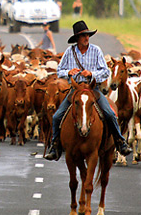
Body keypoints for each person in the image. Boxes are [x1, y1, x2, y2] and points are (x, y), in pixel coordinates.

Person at [44, 20, 132, 161]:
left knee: (109, 113)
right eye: (83, 35)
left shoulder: (96, 50)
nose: (86, 38)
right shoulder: (69, 52)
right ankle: (55, 146)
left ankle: (120, 142)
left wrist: (91, 74)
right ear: (77, 38)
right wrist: (69, 72)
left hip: (93, 89)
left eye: (87, 35)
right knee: (56, 117)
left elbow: (105, 72)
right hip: (76, 90)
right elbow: (59, 70)